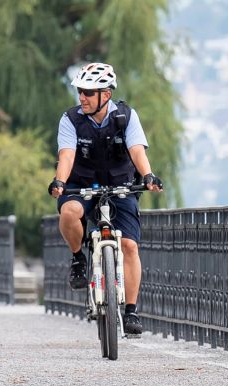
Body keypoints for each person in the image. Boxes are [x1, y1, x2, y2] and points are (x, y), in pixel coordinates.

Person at [48, 62, 164, 336]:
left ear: (106, 95)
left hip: (120, 185)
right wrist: (60, 182)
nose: (82, 98)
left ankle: (131, 311)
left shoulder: (125, 116)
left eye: (88, 92)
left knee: (129, 246)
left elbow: (136, 149)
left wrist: (148, 175)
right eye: (80, 92)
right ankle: (78, 257)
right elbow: (67, 155)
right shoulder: (70, 119)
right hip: (81, 185)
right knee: (68, 213)